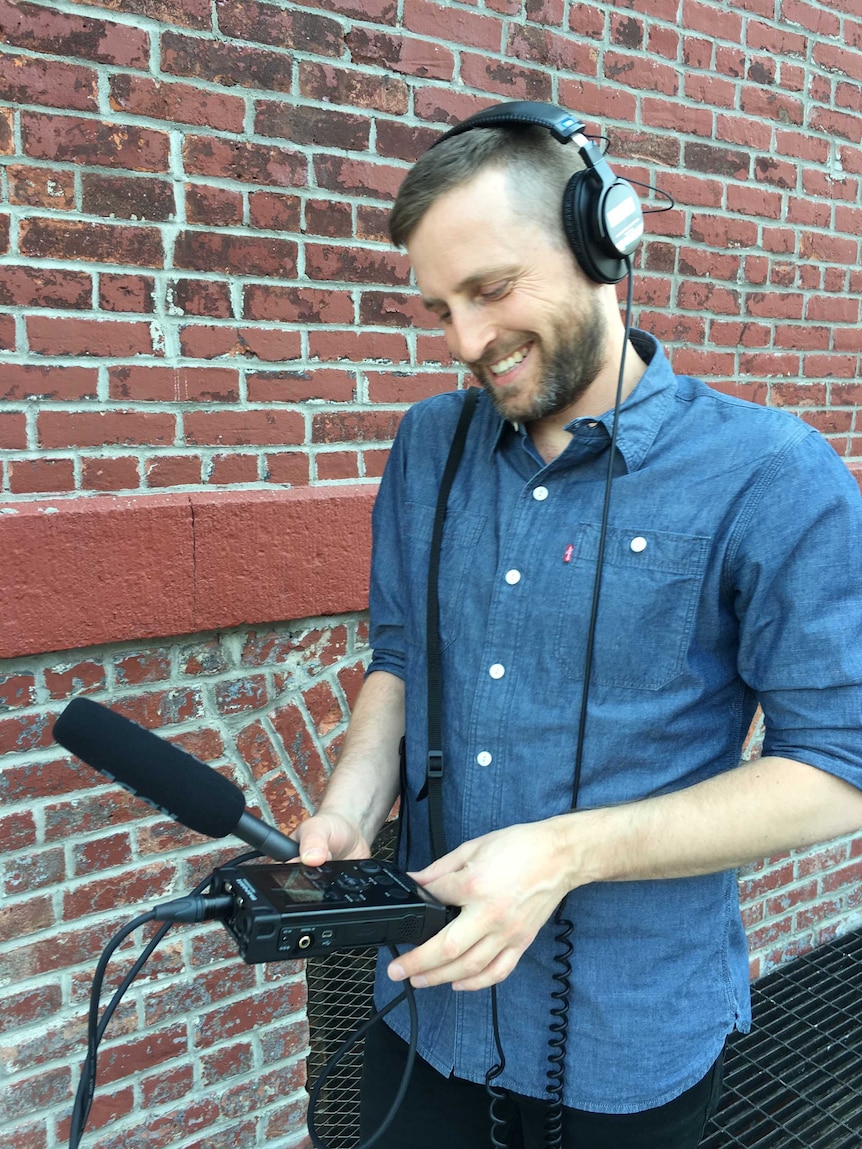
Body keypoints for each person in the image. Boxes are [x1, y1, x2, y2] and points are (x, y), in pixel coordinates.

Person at [294, 102, 862, 1149]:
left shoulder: (772, 475)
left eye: (492, 289)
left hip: (628, 1037)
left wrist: (562, 853)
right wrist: (348, 805)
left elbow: (836, 769)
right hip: (421, 1012)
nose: (466, 342)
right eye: (439, 310)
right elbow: (400, 660)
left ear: (604, 241)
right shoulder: (428, 443)